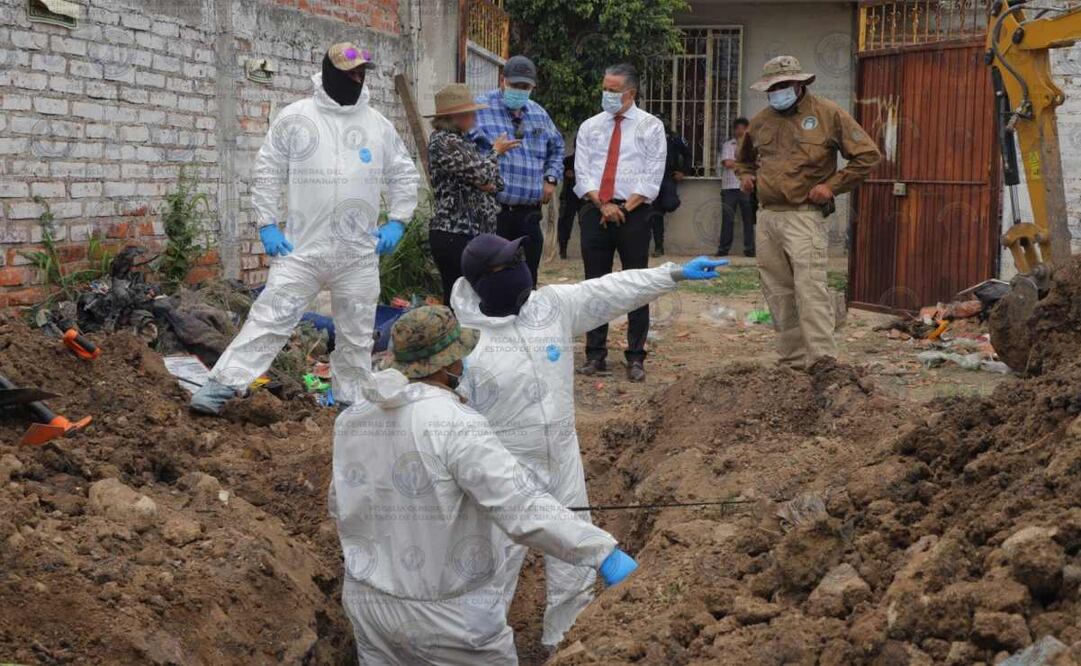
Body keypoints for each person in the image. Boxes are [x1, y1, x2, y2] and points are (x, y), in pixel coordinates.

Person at [451, 234, 727, 650]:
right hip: (505, 477)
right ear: (480, 283)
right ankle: (483, 652)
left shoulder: (550, 307)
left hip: (563, 461)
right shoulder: (463, 346)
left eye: (521, 258)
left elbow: (611, 290)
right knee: (492, 574)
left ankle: (564, 645)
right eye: (507, 265)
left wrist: (672, 274)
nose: (520, 269)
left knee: (574, 570)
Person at [330, 305, 639, 664]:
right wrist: (601, 552)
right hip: (449, 617)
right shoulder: (456, 423)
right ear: (450, 364)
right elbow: (521, 508)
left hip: (369, 604)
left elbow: (341, 504)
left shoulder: (352, 418)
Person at [190, 42, 419, 414]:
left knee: (357, 333)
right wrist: (267, 224)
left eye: (361, 74)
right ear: (329, 73)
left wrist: (398, 220)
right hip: (301, 249)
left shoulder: (377, 126)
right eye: (349, 74)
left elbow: (403, 175)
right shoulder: (296, 118)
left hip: (358, 253)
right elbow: (267, 172)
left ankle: (350, 402)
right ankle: (222, 385)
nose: (356, 80)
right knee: (270, 317)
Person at [735, 56, 880, 369]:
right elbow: (743, 160)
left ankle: (823, 361)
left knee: (810, 288)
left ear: (799, 84)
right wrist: (745, 176)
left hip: (805, 215)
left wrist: (832, 186)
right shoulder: (761, 121)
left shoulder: (828, 114)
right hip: (767, 215)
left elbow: (867, 155)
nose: (777, 92)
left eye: (783, 85)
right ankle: (792, 361)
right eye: (772, 87)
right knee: (777, 291)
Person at [573, 63, 667, 382]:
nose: (607, 95)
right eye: (605, 89)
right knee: (594, 286)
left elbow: (652, 176)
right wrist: (602, 204)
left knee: (636, 286)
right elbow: (582, 171)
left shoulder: (651, 127)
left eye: (613, 91)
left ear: (631, 94)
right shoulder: (590, 127)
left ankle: (636, 357)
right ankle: (595, 354)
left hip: (634, 214)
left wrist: (622, 208)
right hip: (594, 211)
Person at [470, 55, 564, 287]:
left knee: (527, 278)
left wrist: (551, 178)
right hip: (494, 213)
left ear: (532, 87)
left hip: (529, 214)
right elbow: (466, 149)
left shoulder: (539, 114)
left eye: (525, 87)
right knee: (495, 278)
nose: (519, 91)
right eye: (515, 86)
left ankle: (526, 321)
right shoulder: (480, 109)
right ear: (503, 81)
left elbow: (558, 147)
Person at [426, 83, 520, 306]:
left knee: (475, 297)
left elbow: (496, 183)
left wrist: (486, 175)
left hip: (473, 235)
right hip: (455, 234)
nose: (475, 117)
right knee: (460, 298)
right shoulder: (444, 142)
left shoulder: (463, 143)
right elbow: (484, 176)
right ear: (458, 117)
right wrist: (495, 153)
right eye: (471, 113)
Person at [650, 114, 691, 257]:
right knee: (655, 214)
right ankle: (659, 247)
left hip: (668, 176)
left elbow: (688, 153)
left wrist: (684, 171)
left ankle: (670, 201)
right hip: (652, 178)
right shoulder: (647, 137)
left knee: (670, 203)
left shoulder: (674, 137)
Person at [718, 117, 757, 257]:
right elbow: (727, 163)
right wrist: (744, 164)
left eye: (743, 128)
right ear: (734, 130)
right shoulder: (728, 145)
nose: (740, 131)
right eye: (738, 128)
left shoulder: (752, 146)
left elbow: (756, 164)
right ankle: (723, 250)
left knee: (749, 219)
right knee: (728, 219)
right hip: (729, 188)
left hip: (747, 187)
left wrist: (739, 163)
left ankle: (749, 250)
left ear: (747, 129)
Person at [556, 151, 578, 259]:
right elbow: (561, 174)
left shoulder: (589, 159)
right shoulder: (568, 161)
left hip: (585, 197)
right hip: (568, 196)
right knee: (565, 224)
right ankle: (562, 250)